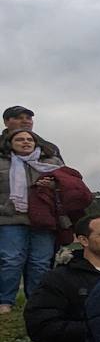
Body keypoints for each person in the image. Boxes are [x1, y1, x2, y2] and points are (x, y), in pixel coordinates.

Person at [0, 128, 64, 314]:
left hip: (44, 219)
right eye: (20, 139)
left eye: (30, 139)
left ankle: (36, 301)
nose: (26, 142)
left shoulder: (52, 163)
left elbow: (69, 187)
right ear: (10, 143)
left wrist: (53, 186)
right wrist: (4, 208)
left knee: (41, 262)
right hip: (10, 219)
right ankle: (5, 301)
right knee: (11, 260)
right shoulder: (2, 162)